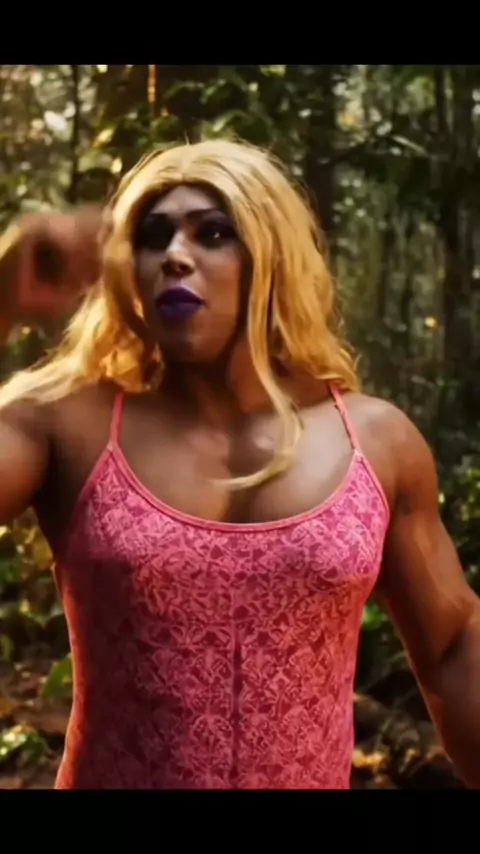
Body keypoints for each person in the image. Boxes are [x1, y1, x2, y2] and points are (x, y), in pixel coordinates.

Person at [0, 139, 478, 790]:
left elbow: (452, 645)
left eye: (214, 233)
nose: (175, 255)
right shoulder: (65, 425)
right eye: (153, 237)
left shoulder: (376, 442)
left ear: (272, 256)